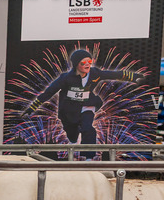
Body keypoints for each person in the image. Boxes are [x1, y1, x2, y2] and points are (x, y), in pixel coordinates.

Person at [22, 48, 153, 146]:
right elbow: (48, 92)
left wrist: (132, 76)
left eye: (89, 61)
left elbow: (113, 74)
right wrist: (32, 108)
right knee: (72, 134)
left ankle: (88, 159)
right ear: (76, 64)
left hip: (87, 105)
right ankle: (73, 143)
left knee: (88, 129)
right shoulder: (66, 78)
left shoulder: (95, 73)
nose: (87, 65)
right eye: (83, 62)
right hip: (68, 111)